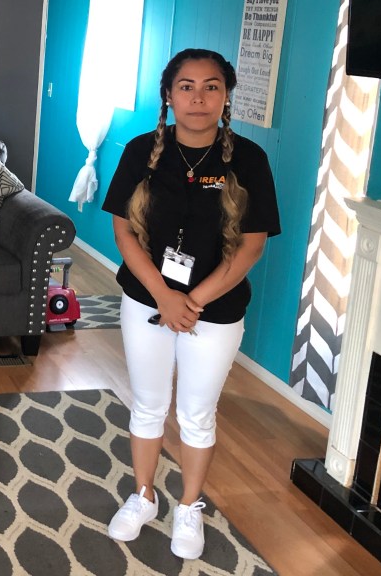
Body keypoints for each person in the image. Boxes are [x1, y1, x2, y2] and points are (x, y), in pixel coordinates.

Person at [102, 48, 280, 559]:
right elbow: (123, 230)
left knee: (197, 413)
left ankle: (188, 506)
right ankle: (143, 496)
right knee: (148, 404)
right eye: (186, 87)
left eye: (210, 87)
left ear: (225, 97)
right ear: (168, 95)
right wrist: (164, 296)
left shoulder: (249, 160)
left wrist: (192, 301)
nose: (198, 98)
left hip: (215, 311)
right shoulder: (141, 151)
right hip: (147, 301)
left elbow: (252, 245)